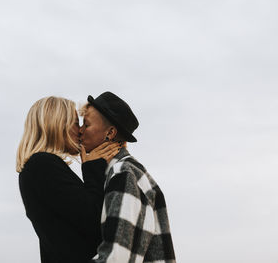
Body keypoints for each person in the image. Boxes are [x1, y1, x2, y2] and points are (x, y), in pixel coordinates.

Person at [16, 96, 120, 263]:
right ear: (57, 124)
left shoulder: (39, 167)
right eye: (75, 122)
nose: (80, 130)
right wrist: (93, 167)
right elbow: (94, 220)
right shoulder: (42, 165)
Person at [79, 92, 176, 263]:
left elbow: (116, 258)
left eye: (86, 125)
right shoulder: (127, 172)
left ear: (109, 133)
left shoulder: (122, 174)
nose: (79, 131)